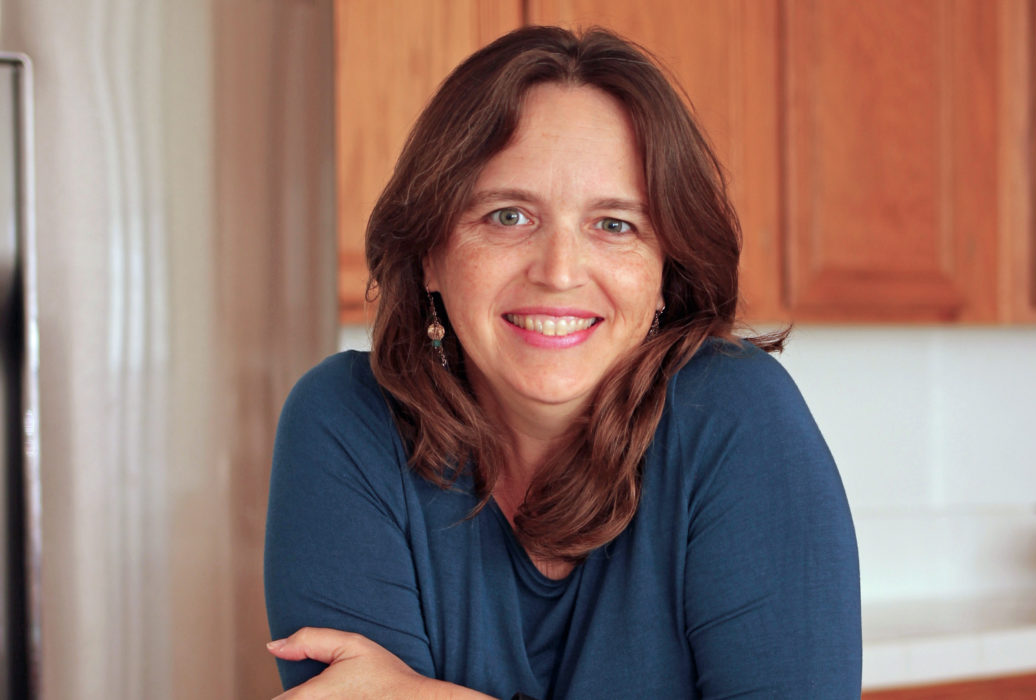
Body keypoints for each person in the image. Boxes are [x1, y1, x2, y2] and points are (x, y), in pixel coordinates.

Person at [264, 25, 861, 700]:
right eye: (509, 216)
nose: (558, 272)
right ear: (430, 251)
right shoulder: (347, 424)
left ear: (665, 273)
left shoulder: (737, 418)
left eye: (615, 225)